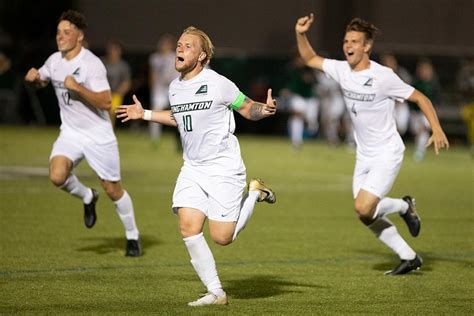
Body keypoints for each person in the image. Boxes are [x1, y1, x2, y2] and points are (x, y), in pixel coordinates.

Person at [116, 26, 277, 306]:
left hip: (223, 167)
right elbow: (181, 118)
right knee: (188, 227)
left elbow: (247, 107)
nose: (180, 49)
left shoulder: (218, 83)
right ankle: (216, 292)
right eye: (179, 44)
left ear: (202, 56)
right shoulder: (175, 87)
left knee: (222, 237)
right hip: (192, 167)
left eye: (187, 46)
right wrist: (145, 114)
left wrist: (265, 109)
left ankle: (255, 193)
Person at [295, 13, 449, 275]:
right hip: (363, 154)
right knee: (366, 214)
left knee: (363, 206)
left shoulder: (383, 76)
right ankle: (409, 256)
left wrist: (436, 128)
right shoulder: (342, 70)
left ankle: (403, 206)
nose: (348, 45)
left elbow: (420, 98)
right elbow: (310, 58)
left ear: (367, 46)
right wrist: (300, 33)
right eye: (346, 41)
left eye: (354, 41)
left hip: (387, 152)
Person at [24, 10, 141, 257]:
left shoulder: (91, 64)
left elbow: (107, 102)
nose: (61, 37)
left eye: (67, 32)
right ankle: (88, 196)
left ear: (79, 36)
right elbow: (42, 81)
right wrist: (33, 79)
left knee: (113, 189)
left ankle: (132, 236)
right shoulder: (54, 61)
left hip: (98, 135)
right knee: (57, 176)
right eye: (58, 32)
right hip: (71, 132)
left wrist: (78, 88)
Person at [408, 59, 442, 161]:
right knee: (416, 131)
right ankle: (417, 149)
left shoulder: (433, 85)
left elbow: (438, 102)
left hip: (427, 113)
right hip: (415, 113)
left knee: (423, 131)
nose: (422, 71)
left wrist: (435, 118)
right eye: (421, 69)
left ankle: (419, 152)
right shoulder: (415, 83)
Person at [149, 34, 179, 145]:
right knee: (156, 112)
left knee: (180, 112)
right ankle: (155, 138)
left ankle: (182, 138)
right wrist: (153, 88)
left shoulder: (174, 56)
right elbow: (152, 75)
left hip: (174, 88)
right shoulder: (155, 58)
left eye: (166, 44)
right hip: (160, 89)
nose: (164, 46)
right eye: (162, 44)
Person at [380, 53, 412, 137]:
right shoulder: (380, 74)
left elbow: (409, 90)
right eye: (386, 62)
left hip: (401, 104)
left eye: (390, 62)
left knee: (401, 127)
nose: (388, 64)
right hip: (387, 104)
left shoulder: (402, 73)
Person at [101, 39, 132, 126]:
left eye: (115, 49)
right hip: (103, 92)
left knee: (111, 112)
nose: (113, 52)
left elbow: (127, 82)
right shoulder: (102, 62)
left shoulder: (123, 66)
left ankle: (109, 129)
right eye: (111, 49)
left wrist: (121, 90)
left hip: (115, 94)